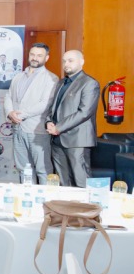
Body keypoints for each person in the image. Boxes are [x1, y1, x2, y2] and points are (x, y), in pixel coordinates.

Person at [45, 50, 100, 187]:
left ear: (81, 62)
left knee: (81, 181)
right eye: (64, 61)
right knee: (63, 182)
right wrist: (49, 122)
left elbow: (84, 112)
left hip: (77, 140)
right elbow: (53, 107)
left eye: (70, 60)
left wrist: (59, 127)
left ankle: (86, 208)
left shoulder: (89, 83)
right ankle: (66, 207)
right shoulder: (61, 82)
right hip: (57, 140)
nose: (66, 64)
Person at [3, 44, 57, 183]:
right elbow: (9, 96)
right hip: (18, 129)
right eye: (32, 54)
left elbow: (45, 104)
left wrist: (19, 115)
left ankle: (46, 201)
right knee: (23, 169)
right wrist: (10, 112)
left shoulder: (51, 78)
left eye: (39, 55)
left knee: (42, 170)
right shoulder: (18, 76)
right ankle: (27, 200)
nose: (35, 58)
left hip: (37, 131)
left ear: (47, 58)